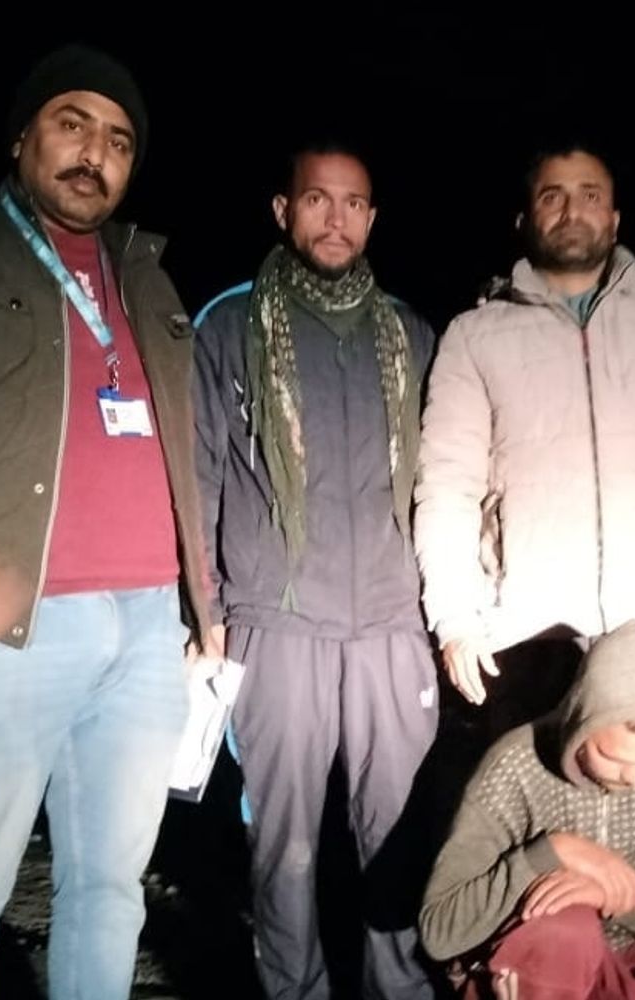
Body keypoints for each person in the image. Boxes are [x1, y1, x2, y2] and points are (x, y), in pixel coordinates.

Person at [0, 45, 214, 1000]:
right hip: (9, 623)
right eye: (72, 124)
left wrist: (202, 610)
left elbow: (183, 446)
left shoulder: (146, 275)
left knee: (112, 893)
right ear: (21, 137)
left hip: (150, 625)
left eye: (118, 140)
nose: (95, 153)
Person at [193, 141, 438, 999]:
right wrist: (205, 610)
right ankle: (294, 989)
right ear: (283, 210)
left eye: (353, 203)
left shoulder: (411, 333)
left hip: (392, 624)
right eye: (317, 200)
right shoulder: (228, 324)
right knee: (284, 843)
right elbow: (199, 476)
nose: (336, 218)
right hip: (276, 621)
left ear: (372, 217)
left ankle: (399, 988)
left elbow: (443, 480)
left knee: (398, 833)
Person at [414, 144, 635, 735]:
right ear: (524, 219)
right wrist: (455, 618)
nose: (572, 211)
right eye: (552, 196)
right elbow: (446, 486)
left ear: (614, 218)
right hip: (528, 634)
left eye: (590, 195)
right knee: (534, 794)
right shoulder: (473, 334)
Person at [419, 619, 635, 1000]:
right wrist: (550, 852)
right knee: (565, 929)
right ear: (580, 724)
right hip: (539, 970)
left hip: (634, 958)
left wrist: (622, 895)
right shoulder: (515, 765)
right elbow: (439, 931)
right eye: (615, 758)